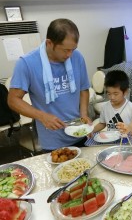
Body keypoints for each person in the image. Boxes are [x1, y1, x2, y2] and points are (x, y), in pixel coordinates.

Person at [8, 18, 91, 152]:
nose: (70, 55)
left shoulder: (77, 57)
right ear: (49, 43)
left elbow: (83, 89)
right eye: (65, 50)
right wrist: (42, 116)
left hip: (79, 132)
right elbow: (13, 100)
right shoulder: (27, 63)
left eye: (73, 49)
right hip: (52, 139)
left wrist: (84, 114)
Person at [92, 70, 132, 143]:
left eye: (115, 94)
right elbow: (102, 123)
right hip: (111, 143)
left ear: (126, 92)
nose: (112, 97)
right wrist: (90, 130)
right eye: (109, 93)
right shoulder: (105, 107)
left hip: (128, 144)